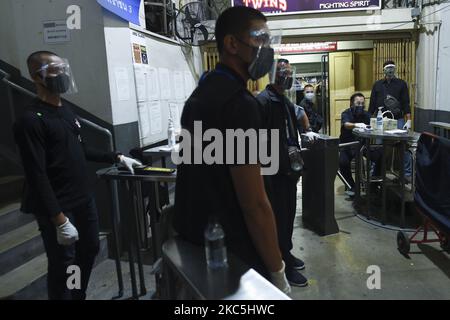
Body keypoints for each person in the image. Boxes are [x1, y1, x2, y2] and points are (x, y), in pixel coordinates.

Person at [173, 7, 290, 294]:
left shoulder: (201, 95)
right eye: (260, 39)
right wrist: (277, 271)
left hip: (199, 242)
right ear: (231, 43)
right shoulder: (239, 105)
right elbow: (254, 204)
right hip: (235, 251)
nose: (267, 49)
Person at [13, 51, 142, 300]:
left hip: (82, 197)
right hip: (58, 205)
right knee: (63, 261)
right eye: (54, 70)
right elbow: (36, 174)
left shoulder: (66, 111)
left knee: (90, 247)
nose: (61, 75)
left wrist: (116, 156)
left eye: (63, 69)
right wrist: (59, 219)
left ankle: (77, 293)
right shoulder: (30, 120)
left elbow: (80, 150)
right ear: (37, 77)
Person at [257, 59, 318, 287]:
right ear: (272, 75)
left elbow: (292, 131)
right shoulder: (263, 102)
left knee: (289, 215)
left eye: (290, 72)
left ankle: (287, 252)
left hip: (289, 171)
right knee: (279, 219)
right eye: (284, 72)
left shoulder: (284, 100)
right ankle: (282, 264)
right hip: (273, 173)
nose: (288, 76)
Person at [369, 60, 412, 180]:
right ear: (383, 70)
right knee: (378, 147)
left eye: (392, 68)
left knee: (403, 146)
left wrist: (408, 120)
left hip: (398, 120)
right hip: (380, 120)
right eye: (388, 68)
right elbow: (372, 104)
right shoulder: (377, 85)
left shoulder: (401, 84)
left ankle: (407, 174)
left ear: (395, 69)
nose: (390, 70)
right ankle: (375, 173)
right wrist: (368, 121)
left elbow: (405, 103)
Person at [339, 93, 381, 196]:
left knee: (380, 156)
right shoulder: (346, 113)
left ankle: (373, 186)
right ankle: (351, 187)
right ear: (351, 104)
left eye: (362, 103)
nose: (360, 106)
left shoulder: (366, 115)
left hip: (363, 146)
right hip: (347, 145)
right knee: (342, 163)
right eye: (358, 103)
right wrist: (356, 125)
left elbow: (374, 124)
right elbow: (346, 125)